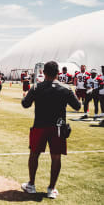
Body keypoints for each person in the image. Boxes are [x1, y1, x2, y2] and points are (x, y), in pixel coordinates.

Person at [21, 61, 81, 199]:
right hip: (58, 127)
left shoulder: (37, 87)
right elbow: (77, 106)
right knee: (56, 157)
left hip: (40, 125)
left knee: (34, 154)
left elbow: (25, 104)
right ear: (58, 73)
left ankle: (31, 184)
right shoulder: (66, 89)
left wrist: (25, 95)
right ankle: (51, 188)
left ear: (44, 73)